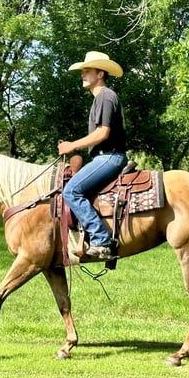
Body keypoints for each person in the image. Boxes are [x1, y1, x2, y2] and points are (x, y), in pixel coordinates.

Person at [57, 51, 128, 261]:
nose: (83, 75)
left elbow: (102, 133)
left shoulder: (105, 96)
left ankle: (101, 241)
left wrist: (72, 145)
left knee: (71, 191)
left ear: (100, 73)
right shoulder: (100, 99)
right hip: (104, 157)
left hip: (109, 157)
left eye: (87, 71)